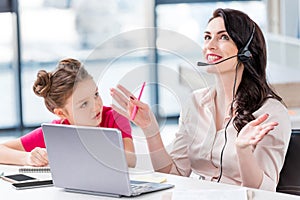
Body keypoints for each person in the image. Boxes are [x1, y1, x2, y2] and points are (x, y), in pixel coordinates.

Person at [110, 8, 291, 191]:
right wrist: (150, 130)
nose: (210, 45)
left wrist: (243, 151)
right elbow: (174, 175)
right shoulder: (196, 102)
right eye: (207, 37)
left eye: (223, 37)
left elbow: (264, 193)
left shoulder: (270, 113)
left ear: (246, 51)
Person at [0, 58, 136, 167]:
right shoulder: (56, 131)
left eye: (95, 94)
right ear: (61, 113)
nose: (96, 106)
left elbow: (130, 160)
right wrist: (28, 158)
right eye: (84, 104)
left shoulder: (114, 117)